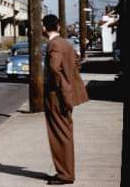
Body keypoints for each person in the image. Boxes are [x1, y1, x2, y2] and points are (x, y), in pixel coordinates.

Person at [42, 14, 89, 185]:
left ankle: (65, 174)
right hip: (65, 96)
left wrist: (63, 93)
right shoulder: (65, 43)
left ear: (44, 28)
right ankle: (66, 172)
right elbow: (76, 62)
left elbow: (55, 70)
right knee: (65, 134)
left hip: (57, 97)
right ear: (59, 27)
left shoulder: (54, 45)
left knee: (59, 135)